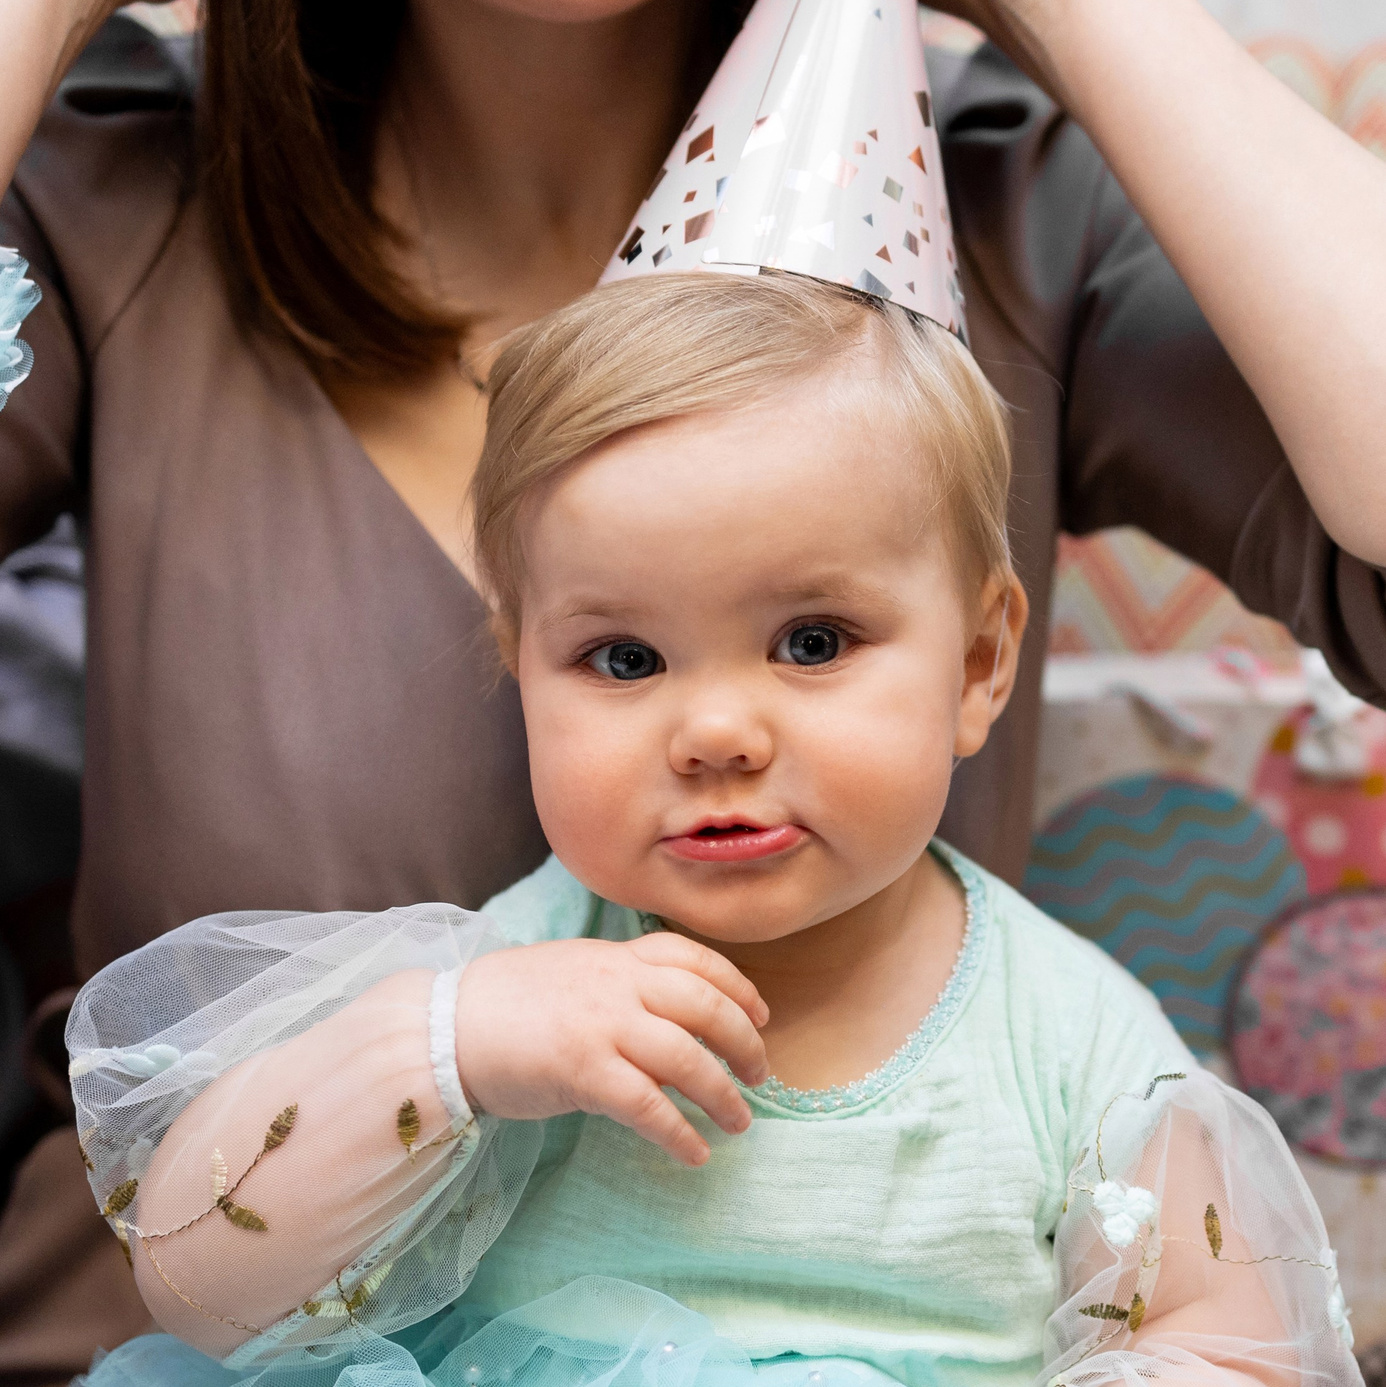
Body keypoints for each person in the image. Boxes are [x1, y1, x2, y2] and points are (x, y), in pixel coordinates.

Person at [2, 0, 1386, 1376]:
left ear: (980, 663)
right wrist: (440, 1051)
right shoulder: (505, 978)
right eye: (623, 659)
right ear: (515, 659)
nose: (717, 731)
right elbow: (202, 1269)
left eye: (813, 641)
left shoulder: (1060, 1039)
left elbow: (1224, 1332)